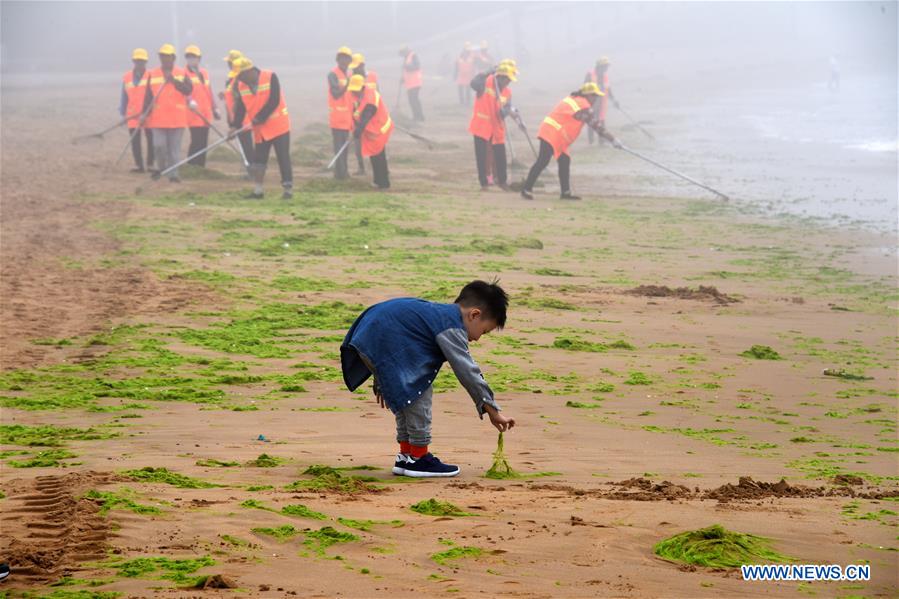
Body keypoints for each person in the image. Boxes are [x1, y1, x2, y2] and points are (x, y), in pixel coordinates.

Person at [340, 280, 516, 478]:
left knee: (406, 394)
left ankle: (406, 456)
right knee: (418, 389)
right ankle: (419, 458)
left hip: (370, 332)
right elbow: (467, 370)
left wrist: (383, 377)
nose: (477, 338)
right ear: (474, 315)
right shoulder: (451, 326)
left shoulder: (438, 314)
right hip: (382, 337)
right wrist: (492, 410)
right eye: (484, 331)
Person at [520, 82, 621, 201]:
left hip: (556, 133)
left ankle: (565, 193)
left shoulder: (575, 99)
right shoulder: (584, 106)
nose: (595, 99)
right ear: (588, 95)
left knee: (564, 160)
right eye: (594, 96)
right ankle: (526, 189)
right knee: (543, 161)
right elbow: (597, 127)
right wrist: (613, 140)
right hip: (552, 132)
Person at [229, 57, 293, 200]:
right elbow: (240, 108)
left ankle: (288, 189)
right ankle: (258, 191)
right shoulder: (241, 86)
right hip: (261, 129)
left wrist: (259, 117)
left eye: (241, 75)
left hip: (278, 126)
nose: (240, 79)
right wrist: (234, 126)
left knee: (283, 157)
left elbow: (274, 100)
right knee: (259, 159)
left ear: (249, 71)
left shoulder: (270, 76)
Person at [141, 43, 193, 182]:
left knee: (174, 150)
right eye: (162, 56)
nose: (164, 59)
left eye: (167, 56)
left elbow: (188, 90)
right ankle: (162, 168)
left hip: (177, 119)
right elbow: (148, 96)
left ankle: (174, 174)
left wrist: (174, 81)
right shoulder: (153, 74)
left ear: (173, 58)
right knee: (158, 146)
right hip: (158, 119)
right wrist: (144, 113)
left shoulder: (182, 73)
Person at [469, 64, 517, 191]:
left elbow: (507, 107)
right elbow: (473, 84)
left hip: (497, 127)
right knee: (481, 156)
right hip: (481, 125)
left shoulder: (507, 92)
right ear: (500, 77)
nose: (509, 82)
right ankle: (483, 183)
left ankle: (502, 181)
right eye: (507, 79)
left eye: (510, 80)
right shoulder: (485, 83)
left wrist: (505, 111)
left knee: (501, 155)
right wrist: (485, 73)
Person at [348, 74, 394, 189]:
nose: (354, 92)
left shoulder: (370, 97)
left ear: (362, 87)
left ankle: (383, 183)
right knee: (374, 155)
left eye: (356, 90)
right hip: (372, 130)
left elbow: (366, 116)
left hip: (380, 129)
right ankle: (377, 180)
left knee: (379, 156)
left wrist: (358, 130)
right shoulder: (358, 95)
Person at [184, 44, 220, 167]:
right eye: (189, 57)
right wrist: (190, 101)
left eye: (193, 57)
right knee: (196, 140)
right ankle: (191, 164)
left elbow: (209, 91)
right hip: (193, 113)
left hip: (206, 112)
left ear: (199, 58)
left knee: (204, 141)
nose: (191, 59)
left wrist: (215, 107)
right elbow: (183, 91)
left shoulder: (204, 73)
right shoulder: (183, 73)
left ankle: (200, 166)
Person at [119, 48, 154, 173]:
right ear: (134, 61)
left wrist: (146, 113)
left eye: (142, 61)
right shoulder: (127, 77)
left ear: (146, 62)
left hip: (148, 113)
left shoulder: (151, 75)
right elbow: (124, 96)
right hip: (132, 115)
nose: (140, 63)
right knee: (135, 141)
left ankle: (150, 164)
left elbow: (154, 95)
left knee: (151, 139)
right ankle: (139, 165)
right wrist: (122, 114)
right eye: (138, 61)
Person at [220, 49, 254, 168]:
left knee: (247, 147)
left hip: (242, 120)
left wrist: (234, 123)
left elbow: (239, 101)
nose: (228, 64)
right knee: (245, 146)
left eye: (229, 62)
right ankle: (250, 167)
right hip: (237, 119)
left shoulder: (239, 79)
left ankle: (252, 168)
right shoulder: (232, 79)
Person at [349, 52, 377, 175]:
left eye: (357, 67)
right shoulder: (352, 78)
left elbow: (378, 95)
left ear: (362, 65)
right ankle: (361, 167)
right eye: (353, 68)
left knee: (374, 142)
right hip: (357, 115)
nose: (355, 69)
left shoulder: (372, 76)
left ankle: (378, 166)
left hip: (371, 115)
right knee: (358, 142)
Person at [584, 56, 618, 144]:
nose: (606, 68)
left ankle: (601, 142)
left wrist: (614, 100)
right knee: (591, 122)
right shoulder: (590, 75)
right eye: (605, 66)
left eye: (607, 66)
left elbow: (608, 90)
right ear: (599, 66)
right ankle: (591, 142)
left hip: (602, 104)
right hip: (592, 103)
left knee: (602, 122)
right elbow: (584, 89)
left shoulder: (605, 76)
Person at [399, 46, 424, 121]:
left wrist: (406, 66)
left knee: (414, 100)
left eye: (402, 53)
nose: (402, 55)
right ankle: (418, 116)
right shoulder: (406, 58)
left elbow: (416, 66)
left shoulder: (413, 56)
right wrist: (403, 79)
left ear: (405, 51)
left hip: (415, 82)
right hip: (410, 83)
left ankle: (418, 117)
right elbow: (407, 71)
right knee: (412, 100)